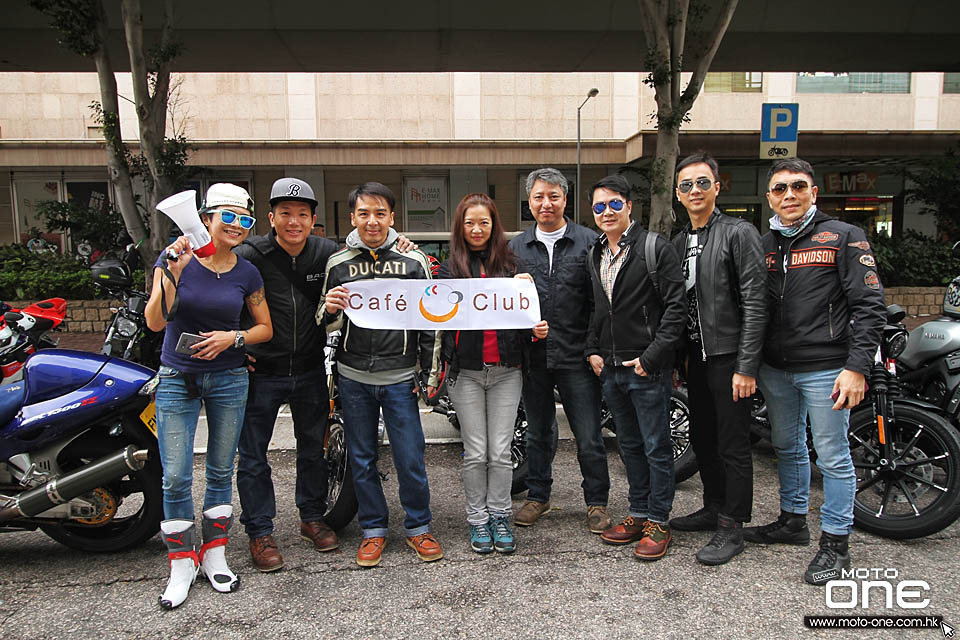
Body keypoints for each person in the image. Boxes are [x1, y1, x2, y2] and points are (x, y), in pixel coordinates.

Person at [743, 158, 885, 585]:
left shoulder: (844, 236)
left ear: (813, 193)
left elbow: (870, 307)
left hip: (827, 369)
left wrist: (857, 367)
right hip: (775, 368)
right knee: (787, 448)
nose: (789, 195)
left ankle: (836, 543)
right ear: (769, 197)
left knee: (834, 457)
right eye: (780, 189)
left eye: (798, 187)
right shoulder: (764, 243)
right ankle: (792, 521)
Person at [145, 183, 273, 609]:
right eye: (228, 217)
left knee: (220, 470)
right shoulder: (174, 258)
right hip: (178, 378)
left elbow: (263, 329)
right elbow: (155, 322)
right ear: (207, 219)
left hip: (229, 379)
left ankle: (214, 554)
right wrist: (173, 274)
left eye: (245, 220)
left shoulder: (246, 272)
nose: (237, 226)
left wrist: (231, 338)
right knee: (176, 475)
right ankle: (182, 562)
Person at [321, 181, 444, 568]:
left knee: (410, 457)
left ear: (393, 216)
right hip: (354, 375)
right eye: (363, 213)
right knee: (361, 457)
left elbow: (430, 323)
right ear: (353, 217)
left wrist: (429, 374)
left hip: (400, 376)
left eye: (379, 213)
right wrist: (329, 308)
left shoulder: (414, 262)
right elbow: (322, 323)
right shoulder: (338, 264)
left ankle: (418, 527)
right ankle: (373, 530)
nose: (371, 221)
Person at [430, 193, 548, 555]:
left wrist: (535, 328)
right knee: (476, 451)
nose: (477, 229)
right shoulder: (450, 268)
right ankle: (477, 518)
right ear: (460, 228)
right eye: (469, 223)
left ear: (494, 225)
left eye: (484, 222)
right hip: (465, 373)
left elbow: (524, 317)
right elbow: (434, 312)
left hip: (506, 372)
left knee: (500, 452)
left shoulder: (512, 265)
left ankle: (500, 516)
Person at [234, 178, 339, 572]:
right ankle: (259, 531)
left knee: (313, 450)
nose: (294, 222)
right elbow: (221, 289)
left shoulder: (327, 253)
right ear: (271, 217)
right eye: (285, 214)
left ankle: (312, 517)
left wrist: (402, 244)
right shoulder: (250, 254)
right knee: (253, 457)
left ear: (313, 219)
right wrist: (235, 348)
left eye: (302, 215)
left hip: (311, 368)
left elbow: (366, 260)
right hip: (261, 370)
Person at [669, 153, 767, 565]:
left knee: (732, 443)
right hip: (697, 358)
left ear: (717, 187)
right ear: (678, 193)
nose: (695, 191)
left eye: (702, 183)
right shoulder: (679, 241)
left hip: (730, 358)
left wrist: (747, 366)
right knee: (703, 438)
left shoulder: (738, 233)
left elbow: (756, 303)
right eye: (687, 185)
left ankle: (733, 525)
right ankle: (713, 506)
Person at [584, 174, 686, 560]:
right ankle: (638, 512)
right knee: (628, 445)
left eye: (613, 204)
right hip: (610, 367)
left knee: (657, 446)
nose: (606, 212)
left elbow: (676, 310)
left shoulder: (654, 247)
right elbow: (598, 307)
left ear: (628, 206)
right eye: (598, 207)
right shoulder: (596, 252)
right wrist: (592, 350)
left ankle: (659, 520)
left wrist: (652, 358)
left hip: (646, 366)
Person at [508, 168, 612, 534]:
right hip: (533, 357)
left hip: (578, 357)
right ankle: (538, 495)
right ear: (530, 201)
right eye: (538, 197)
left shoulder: (590, 242)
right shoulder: (515, 248)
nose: (546, 203)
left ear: (565, 200)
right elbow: (505, 305)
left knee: (588, 435)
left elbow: (600, 302)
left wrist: (593, 348)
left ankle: (597, 502)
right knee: (537, 433)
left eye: (553, 196)